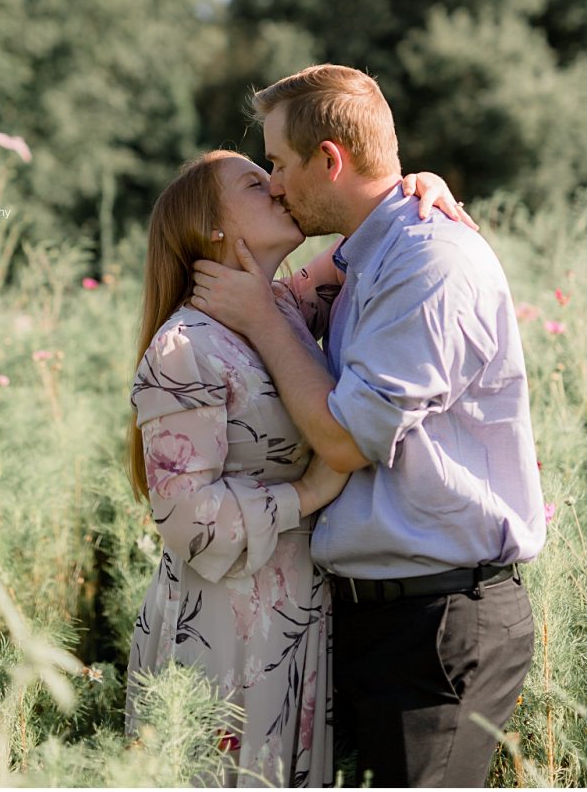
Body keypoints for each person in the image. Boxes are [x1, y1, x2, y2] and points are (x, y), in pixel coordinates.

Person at [186, 64, 545, 789]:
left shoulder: (429, 263)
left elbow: (346, 440)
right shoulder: (374, 248)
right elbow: (292, 307)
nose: (276, 184)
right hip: (373, 618)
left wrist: (257, 313)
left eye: (280, 165)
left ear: (330, 160)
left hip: (436, 623)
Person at [123, 148, 466, 788]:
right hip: (224, 626)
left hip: (298, 612)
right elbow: (185, 522)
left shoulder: (282, 309)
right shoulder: (185, 349)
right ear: (213, 228)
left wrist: (417, 184)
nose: (279, 187)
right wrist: (307, 493)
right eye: (256, 183)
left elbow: (375, 228)